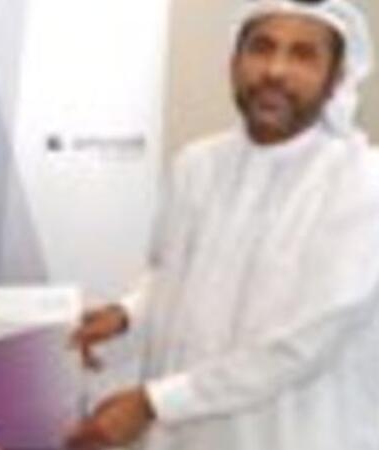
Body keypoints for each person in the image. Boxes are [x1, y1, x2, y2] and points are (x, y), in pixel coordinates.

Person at [68, 1, 379, 449]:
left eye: (303, 55)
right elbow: (171, 276)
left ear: (336, 79)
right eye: (262, 48)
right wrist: (127, 315)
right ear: (234, 61)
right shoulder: (196, 164)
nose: (274, 71)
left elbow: (303, 342)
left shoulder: (360, 182)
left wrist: (154, 403)